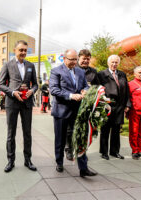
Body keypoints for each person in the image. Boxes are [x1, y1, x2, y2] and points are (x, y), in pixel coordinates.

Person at [49, 49, 96, 177]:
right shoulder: (56, 71)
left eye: (76, 59)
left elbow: (85, 85)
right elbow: (54, 90)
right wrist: (71, 96)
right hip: (61, 111)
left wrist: (85, 91)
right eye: (71, 59)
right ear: (64, 58)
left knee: (80, 138)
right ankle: (59, 163)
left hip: (77, 111)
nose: (74, 62)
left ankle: (83, 168)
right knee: (60, 139)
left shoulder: (80, 71)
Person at [0, 40, 38, 173]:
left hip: (27, 103)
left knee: (27, 133)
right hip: (12, 103)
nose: (23, 53)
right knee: (11, 133)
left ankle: (28, 160)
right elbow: (1, 84)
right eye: (20, 50)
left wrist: (32, 91)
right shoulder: (7, 65)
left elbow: (35, 84)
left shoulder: (31, 66)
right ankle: (11, 160)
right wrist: (12, 92)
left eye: (25, 50)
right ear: (15, 50)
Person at [65, 49, 100, 154]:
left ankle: (81, 149)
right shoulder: (72, 68)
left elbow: (97, 86)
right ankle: (68, 148)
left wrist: (89, 91)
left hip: (87, 104)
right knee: (70, 128)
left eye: (88, 59)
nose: (86, 61)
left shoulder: (94, 72)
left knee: (84, 128)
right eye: (84, 59)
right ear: (78, 58)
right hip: (73, 103)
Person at [98, 55, 130, 160]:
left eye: (116, 62)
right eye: (112, 62)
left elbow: (127, 91)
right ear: (108, 63)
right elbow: (97, 90)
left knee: (116, 130)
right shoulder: (102, 74)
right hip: (107, 106)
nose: (114, 64)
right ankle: (104, 152)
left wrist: (127, 105)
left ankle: (114, 151)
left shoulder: (122, 74)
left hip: (120, 106)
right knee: (105, 130)